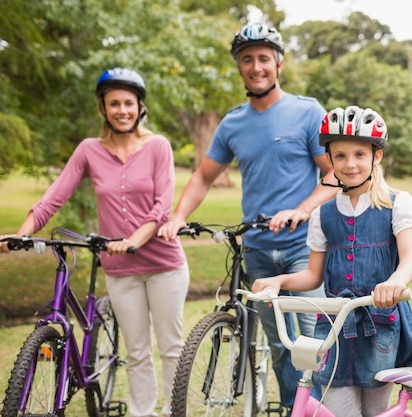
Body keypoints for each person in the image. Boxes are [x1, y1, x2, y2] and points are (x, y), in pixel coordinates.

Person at [157, 23, 336, 410]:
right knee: (278, 346)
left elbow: (334, 174)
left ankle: (324, 410)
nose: (256, 67)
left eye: (264, 59)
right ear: (239, 66)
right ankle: (295, 410)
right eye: (247, 59)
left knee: (310, 342)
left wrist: (302, 209)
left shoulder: (306, 112)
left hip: (302, 249)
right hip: (256, 253)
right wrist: (178, 216)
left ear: (279, 64)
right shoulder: (233, 123)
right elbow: (204, 175)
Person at [0, 67, 190, 417]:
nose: (122, 110)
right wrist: (21, 233)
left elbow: (162, 206)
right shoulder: (89, 149)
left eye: (128, 103)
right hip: (120, 269)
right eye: (114, 103)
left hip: (164, 265)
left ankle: (173, 412)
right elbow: (54, 197)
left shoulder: (158, 146)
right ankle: (141, 413)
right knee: (135, 351)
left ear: (140, 107)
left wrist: (132, 239)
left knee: (172, 347)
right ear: (103, 108)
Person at [251, 106, 412, 417]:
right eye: (341, 155)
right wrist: (278, 282)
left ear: (377, 157)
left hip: (380, 327)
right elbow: (312, 276)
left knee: (376, 411)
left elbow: (410, 259)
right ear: (330, 161)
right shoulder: (323, 213)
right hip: (333, 329)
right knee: (340, 409)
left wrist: (396, 282)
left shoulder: (397, 203)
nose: (350, 164)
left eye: (360, 154)